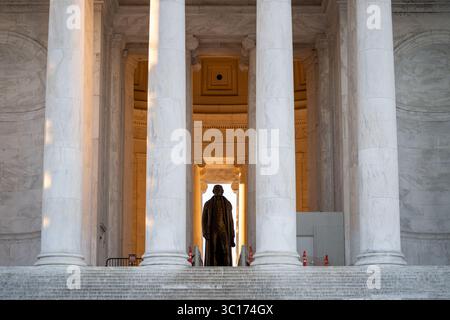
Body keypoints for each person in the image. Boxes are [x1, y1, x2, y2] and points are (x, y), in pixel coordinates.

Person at [202, 185, 235, 266]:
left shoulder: (227, 204)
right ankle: (213, 265)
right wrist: (205, 231)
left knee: (225, 248)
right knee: (213, 249)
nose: (218, 191)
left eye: (219, 189)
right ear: (213, 191)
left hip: (224, 229)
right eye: (216, 189)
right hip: (213, 229)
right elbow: (204, 219)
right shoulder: (208, 204)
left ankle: (226, 265)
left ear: (222, 191)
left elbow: (231, 221)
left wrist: (232, 236)